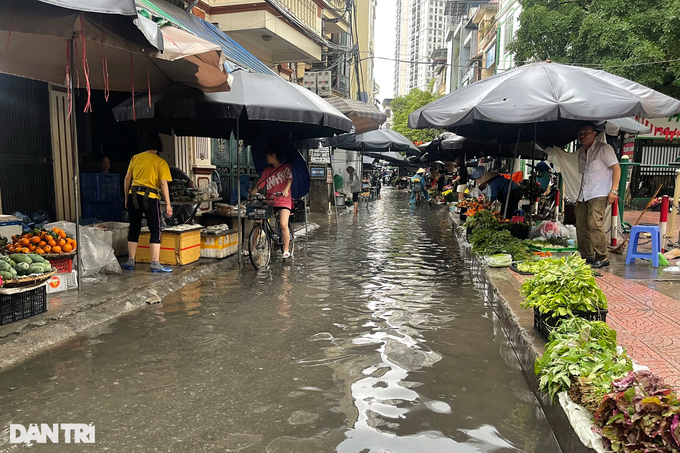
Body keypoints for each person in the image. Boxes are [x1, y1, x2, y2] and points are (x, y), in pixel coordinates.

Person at [123, 133, 173, 273]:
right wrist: (168, 205)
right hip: (150, 197)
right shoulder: (160, 162)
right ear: (158, 146)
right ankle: (155, 263)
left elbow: (127, 178)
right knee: (155, 228)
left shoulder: (136, 158)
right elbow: (163, 183)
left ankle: (130, 261)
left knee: (134, 227)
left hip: (133, 195)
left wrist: (126, 197)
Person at [575, 122, 621, 269]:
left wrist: (613, 191)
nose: (582, 136)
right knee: (581, 225)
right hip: (584, 194)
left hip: (599, 192)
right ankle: (587, 256)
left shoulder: (604, 149)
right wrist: (578, 195)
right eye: (580, 133)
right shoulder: (582, 152)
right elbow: (585, 176)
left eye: (586, 132)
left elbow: (616, 168)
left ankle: (602, 256)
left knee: (594, 223)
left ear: (594, 134)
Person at [251, 145, 294, 259]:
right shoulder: (267, 171)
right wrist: (252, 194)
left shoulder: (285, 167)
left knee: (283, 224)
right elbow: (260, 184)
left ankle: (286, 249)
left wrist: (285, 190)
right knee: (258, 221)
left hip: (284, 200)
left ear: (273, 156)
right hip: (270, 200)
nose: (266, 158)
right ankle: (250, 248)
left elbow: (289, 179)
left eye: (267, 156)